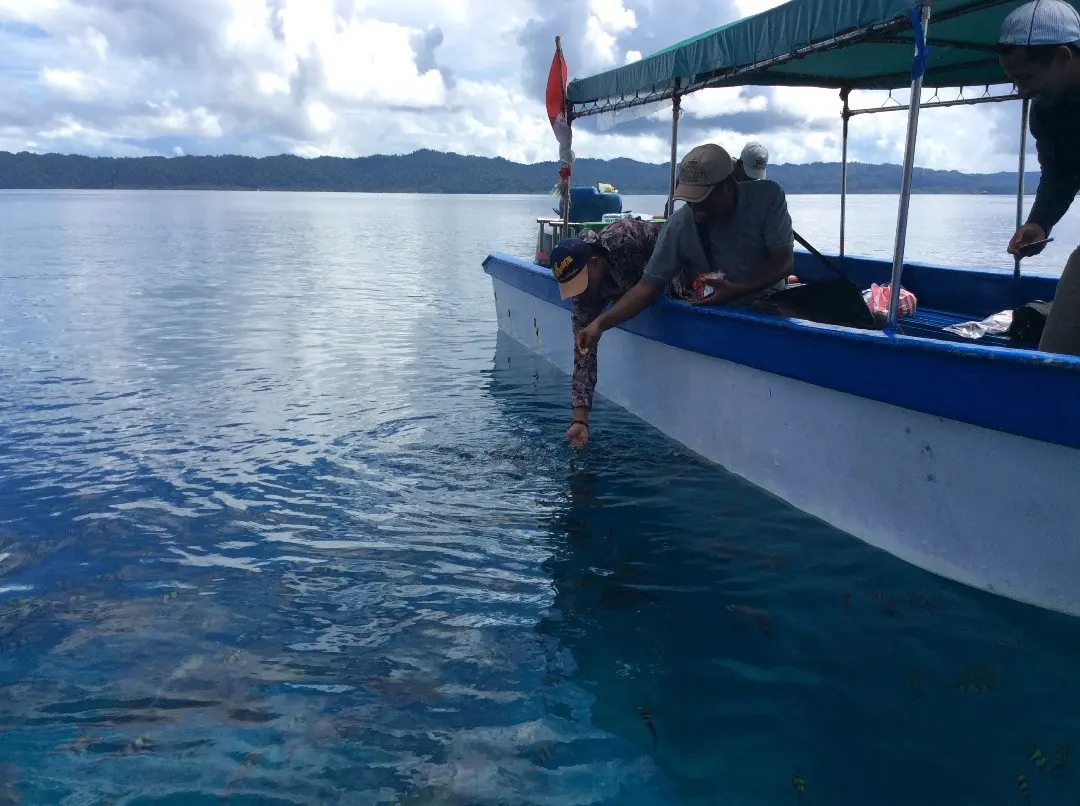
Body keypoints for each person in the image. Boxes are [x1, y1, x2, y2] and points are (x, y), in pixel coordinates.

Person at [575, 143, 795, 357]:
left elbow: (784, 262)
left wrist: (736, 288)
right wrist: (599, 325)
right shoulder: (679, 224)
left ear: (728, 185)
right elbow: (646, 288)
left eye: (703, 199)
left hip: (770, 310)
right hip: (719, 319)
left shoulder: (768, 197)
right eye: (689, 200)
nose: (696, 209)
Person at [999, 0, 1080, 356]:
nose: (1021, 90)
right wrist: (1039, 222)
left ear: (1064, 56)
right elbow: (1061, 174)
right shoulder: (1046, 111)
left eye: (1027, 77)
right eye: (1015, 80)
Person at [549, 217, 661, 447]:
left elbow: (647, 290)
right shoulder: (583, 297)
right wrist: (580, 420)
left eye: (581, 284)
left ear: (595, 263)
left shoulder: (625, 243)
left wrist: (601, 323)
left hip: (664, 262)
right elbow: (583, 354)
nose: (579, 294)